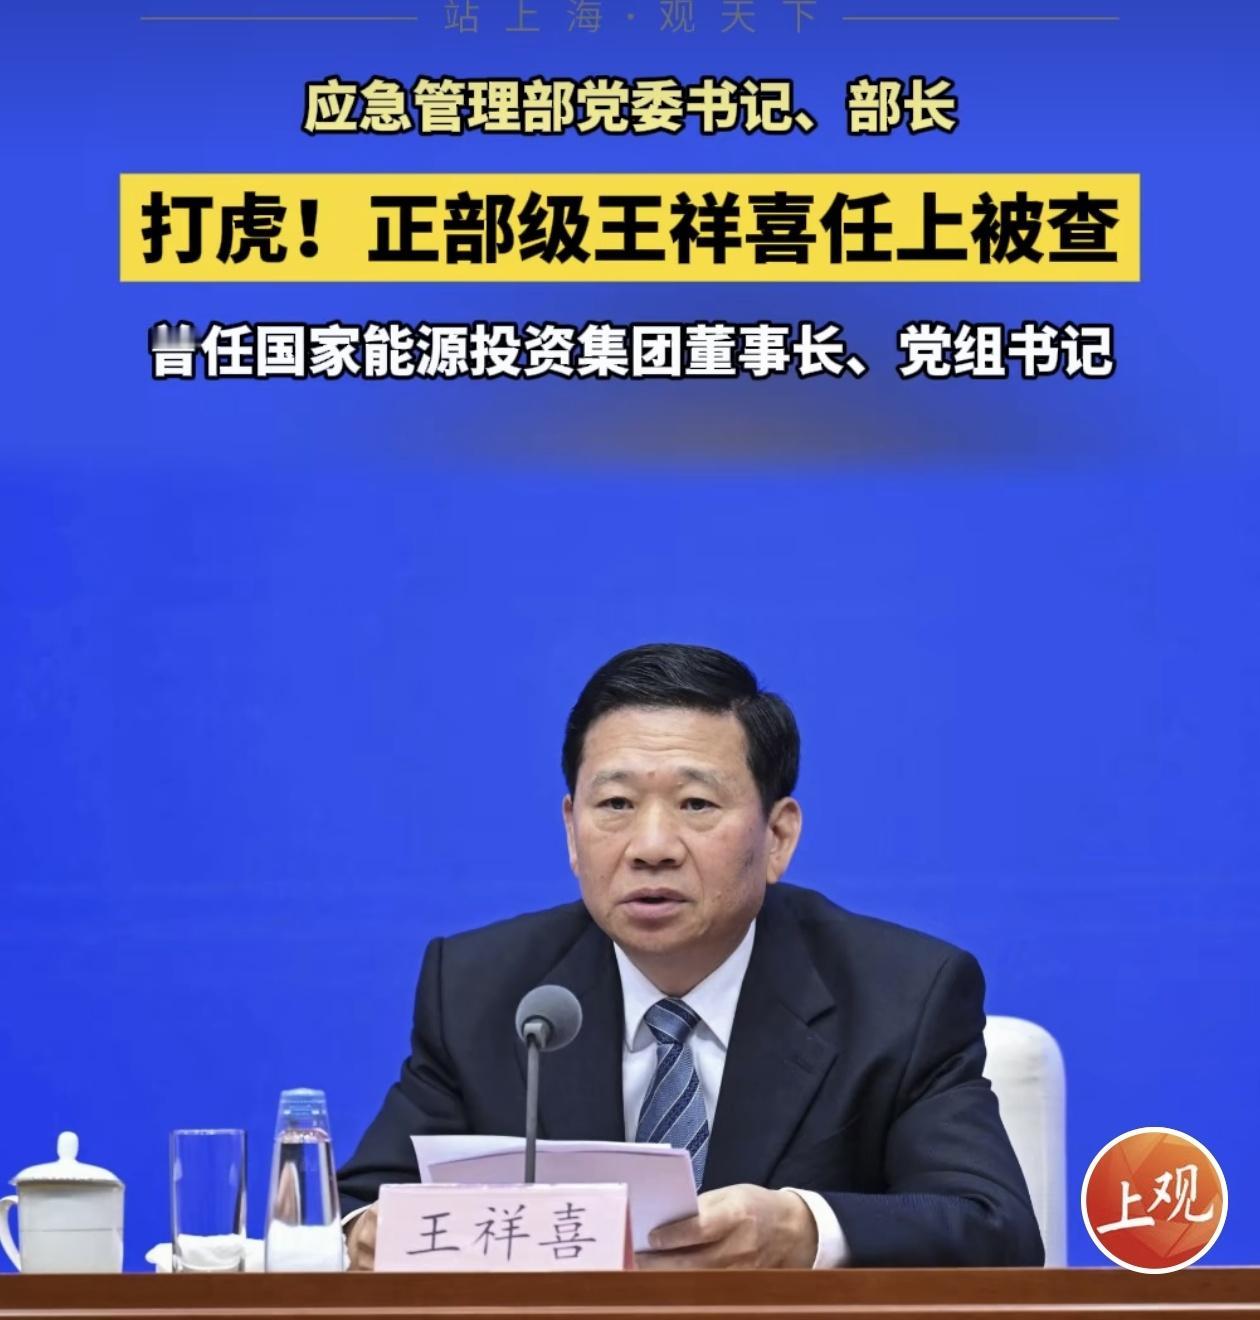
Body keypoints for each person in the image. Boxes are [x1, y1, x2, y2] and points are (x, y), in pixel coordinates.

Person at [337, 643, 1044, 1270]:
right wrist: (365, 1234)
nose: (651, 846)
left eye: (696, 804)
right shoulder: (482, 991)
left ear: (777, 837)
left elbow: (995, 1228)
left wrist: (805, 1230)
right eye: (616, 804)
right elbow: (356, 1209)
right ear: (572, 831)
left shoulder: (903, 995)